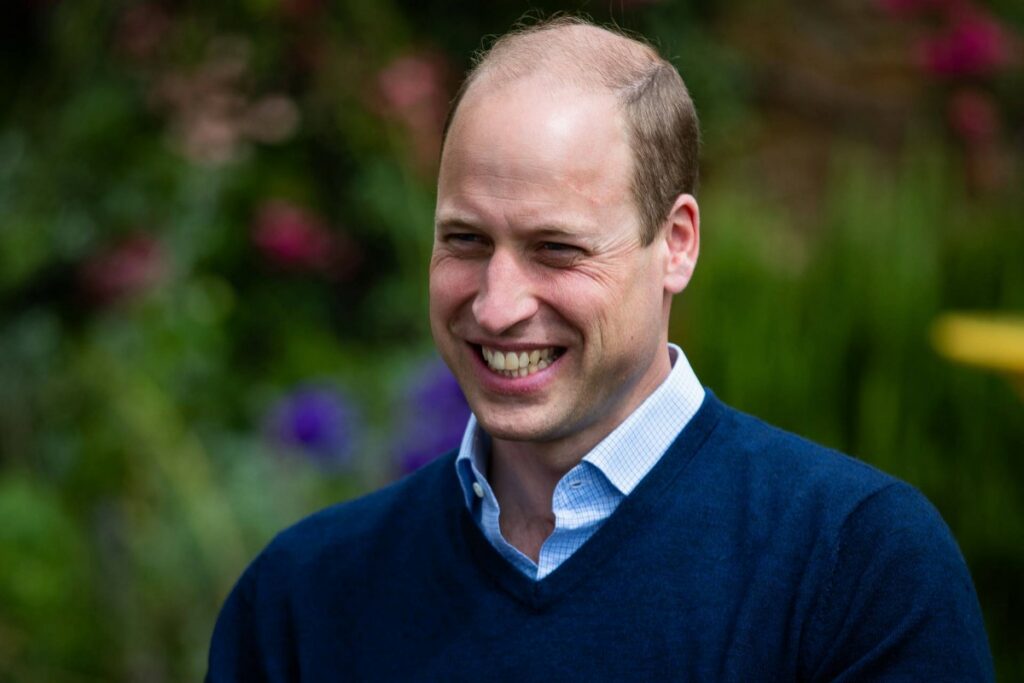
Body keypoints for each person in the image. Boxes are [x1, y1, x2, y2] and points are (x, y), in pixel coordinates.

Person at [207, 17, 993, 681]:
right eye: (466, 240)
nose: (497, 304)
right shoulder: (302, 599)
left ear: (676, 243)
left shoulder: (856, 567)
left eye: (556, 248)